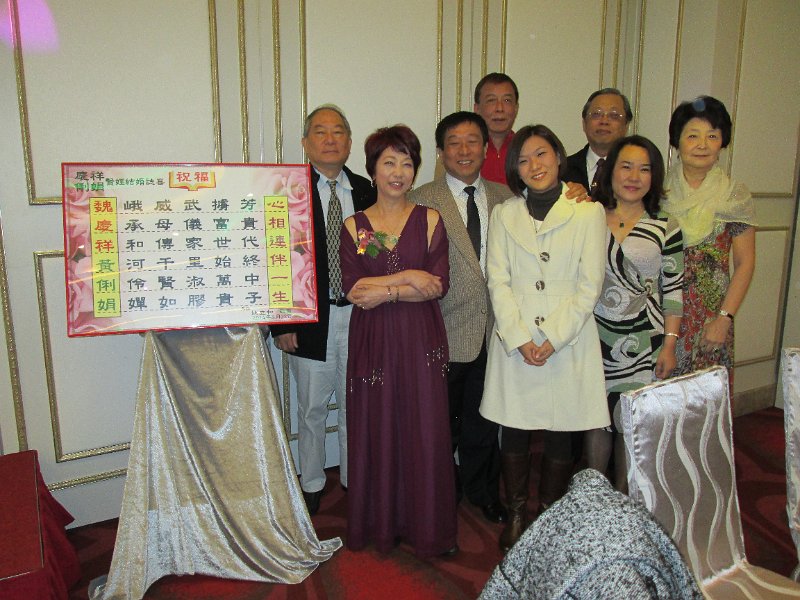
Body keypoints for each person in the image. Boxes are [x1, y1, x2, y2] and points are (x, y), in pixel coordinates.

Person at [480, 124, 609, 552]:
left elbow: (590, 285)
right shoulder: (505, 214)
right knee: (514, 426)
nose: (534, 165)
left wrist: (552, 337)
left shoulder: (588, 212)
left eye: (541, 154)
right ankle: (517, 512)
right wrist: (520, 337)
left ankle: (550, 514)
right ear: (515, 169)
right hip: (516, 336)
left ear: (558, 156)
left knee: (561, 427)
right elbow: (497, 280)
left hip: (568, 337)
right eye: (523, 159)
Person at [339, 125, 457, 557]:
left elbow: (436, 286)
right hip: (374, 342)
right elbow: (356, 290)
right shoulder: (359, 226)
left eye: (407, 163)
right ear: (372, 169)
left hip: (420, 338)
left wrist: (387, 290)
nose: (398, 172)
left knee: (424, 426)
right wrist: (408, 276)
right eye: (389, 162)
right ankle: (382, 525)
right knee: (379, 423)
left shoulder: (430, 220)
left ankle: (425, 526)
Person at [270, 105, 376, 515]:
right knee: (311, 407)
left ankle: (353, 480)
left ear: (349, 142)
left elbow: (373, 252)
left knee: (356, 404)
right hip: (310, 320)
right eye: (320, 131)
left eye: (338, 132)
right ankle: (312, 482)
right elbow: (273, 258)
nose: (330, 139)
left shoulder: (366, 191)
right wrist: (281, 323)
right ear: (305, 142)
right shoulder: (286, 191)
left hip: (360, 316)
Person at [410, 112, 510, 525]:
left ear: (485, 148)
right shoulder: (419, 200)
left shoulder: (507, 198)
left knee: (485, 420)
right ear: (440, 151)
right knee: (441, 423)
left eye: (473, 141)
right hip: (443, 330)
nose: (464, 150)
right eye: (454, 142)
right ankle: (441, 493)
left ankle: (483, 491)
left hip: (497, 332)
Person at [592, 135, 684, 490]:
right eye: (626, 166)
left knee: (631, 428)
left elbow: (673, 290)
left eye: (644, 169)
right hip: (593, 336)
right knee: (597, 422)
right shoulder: (589, 216)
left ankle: (625, 506)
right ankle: (594, 502)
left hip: (645, 339)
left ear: (654, 176)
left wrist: (670, 345)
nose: (634, 176)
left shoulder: (666, 225)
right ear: (611, 171)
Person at [662, 96, 756, 392]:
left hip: (711, 318)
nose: (702, 145)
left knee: (705, 401)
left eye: (712, 136)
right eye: (693, 136)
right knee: (661, 400)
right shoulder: (658, 191)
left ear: (722, 143)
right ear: (677, 141)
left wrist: (724, 319)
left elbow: (745, 263)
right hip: (662, 313)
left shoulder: (734, 195)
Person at [565, 88, 632, 196]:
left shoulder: (636, 172)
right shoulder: (563, 169)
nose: (604, 121)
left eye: (614, 115)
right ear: (584, 124)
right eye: (596, 114)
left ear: (626, 125)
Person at [474, 73, 519, 185]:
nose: (499, 108)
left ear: (516, 108)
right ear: (477, 109)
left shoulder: (527, 149)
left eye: (507, 100)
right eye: (491, 100)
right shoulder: (462, 152)